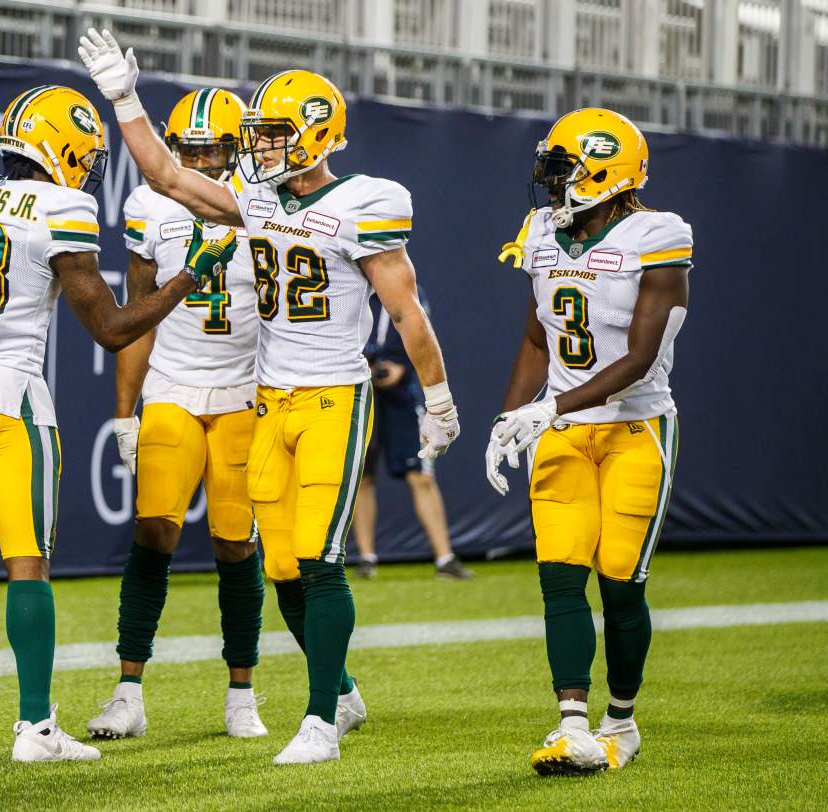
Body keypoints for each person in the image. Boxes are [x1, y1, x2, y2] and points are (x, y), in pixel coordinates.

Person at [78, 30, 460, 764]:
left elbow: (409, 312)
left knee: (317, 560)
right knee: (281, 568)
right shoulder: (253, 200)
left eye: (279, 133)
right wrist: (125, 100)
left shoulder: (367, 202)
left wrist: (438, 399)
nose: (265, 146)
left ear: (319, 133)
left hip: (331, 397)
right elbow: (167, 177)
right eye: (262, 133)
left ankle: (319, 721)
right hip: (269, 402)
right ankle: (342, 692)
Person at [0, 84, 237, 763]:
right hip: (6, 399)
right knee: (28, 564)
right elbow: (112, 329)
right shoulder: (62, 207)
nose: (89, 167)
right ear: (64, 149)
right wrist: (185, 280)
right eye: (84, 153)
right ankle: (36, 730)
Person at [487, 108, 691, 775]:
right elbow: (532, 337)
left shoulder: (657, 235)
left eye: (563, 169)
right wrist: (509, 416)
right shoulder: (542, 232)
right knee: (560, 578)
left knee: (620, 584)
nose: (551, 184)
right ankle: (573, 724)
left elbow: (639, 356)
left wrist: (550, 408)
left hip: (635, 429)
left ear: (605, 171)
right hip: (564, 430)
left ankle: (621, 722)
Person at [86, 88, 267, 740]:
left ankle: (241, 692)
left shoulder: (262, 201)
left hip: (245, 393)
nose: (203, 160)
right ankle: (128, 692)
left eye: (215, 148)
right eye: (191, 150)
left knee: (233, 540)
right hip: (173, 387)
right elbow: (137, 314)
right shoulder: (147, 205)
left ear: (238, 147)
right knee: (153, 530)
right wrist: (124, 413)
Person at [352, 293, 475, 580]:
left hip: (402, 397)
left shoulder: (403, 285)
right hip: (358, 391)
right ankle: (366, 558)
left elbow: (418, 331)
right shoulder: (351, 284)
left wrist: (401, 366)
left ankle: (445, 557)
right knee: (362, 476)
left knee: (421, 475)